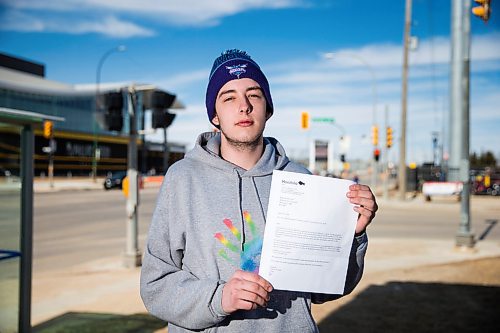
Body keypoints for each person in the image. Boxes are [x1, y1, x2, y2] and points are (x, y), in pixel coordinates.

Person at [140, 49, 378, 333]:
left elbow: (327, 289)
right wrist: (219, 298)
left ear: (267, 108)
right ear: (214, 116)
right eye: (228, 97)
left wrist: (351, 236)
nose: (244, 106)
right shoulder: (182, 178)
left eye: (254, 95)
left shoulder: (300, 180)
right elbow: (156, 285)